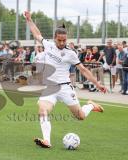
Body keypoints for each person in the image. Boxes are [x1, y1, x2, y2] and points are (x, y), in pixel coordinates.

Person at [24, 11, 107, 148]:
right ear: (54, 38)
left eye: (64, 40)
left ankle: (91, 105)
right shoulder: (48, 45)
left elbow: (84, 70)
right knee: (42, 111)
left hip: (65, 88)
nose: (62, 43)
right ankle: (47, 141)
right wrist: (29, 20)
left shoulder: (71, 53)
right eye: (59, 40)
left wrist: (97, 84)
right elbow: (36, 34)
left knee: (80, 116)